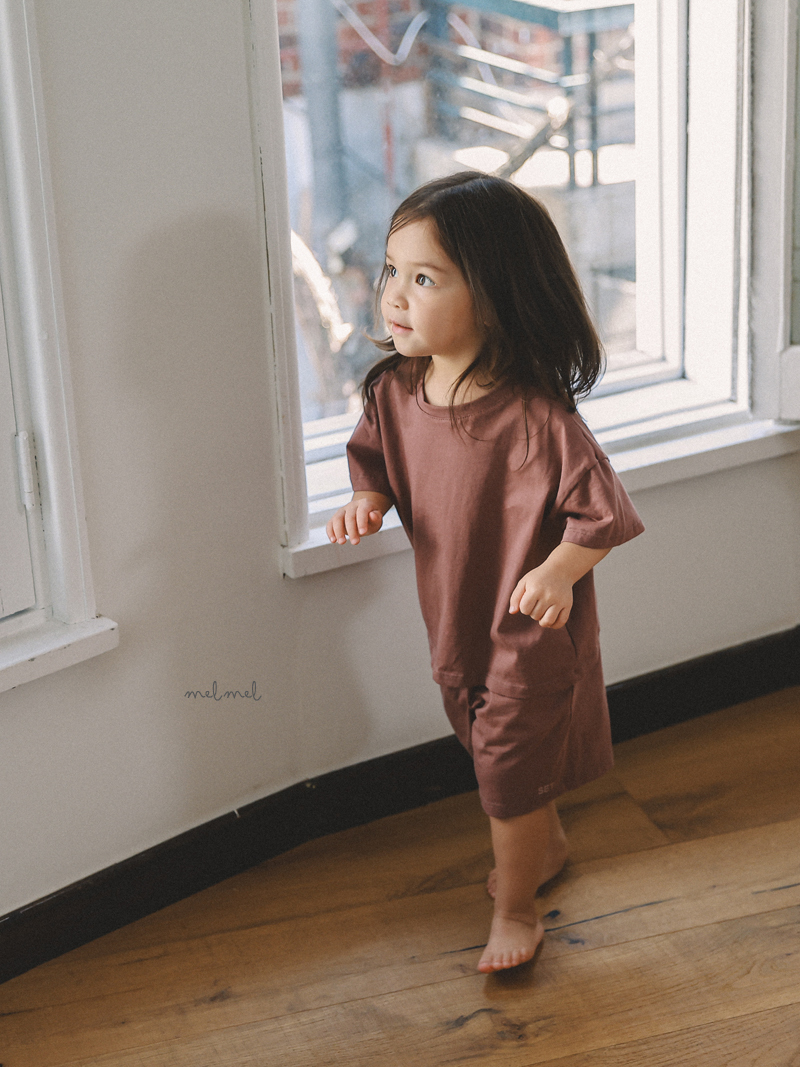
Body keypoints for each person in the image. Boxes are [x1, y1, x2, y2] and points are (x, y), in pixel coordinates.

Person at [325, 171, 644, 974]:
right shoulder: (395, 393)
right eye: (392, 270)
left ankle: (517, 908)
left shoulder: (537, 417)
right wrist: (366, 500)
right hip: (456, 623)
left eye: (424, 279)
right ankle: (548, 841)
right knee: (487, 747)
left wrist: (561, 570)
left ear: (495, 298)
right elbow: (376, 463)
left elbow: (603, 513)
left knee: (503, 769)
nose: (394, 295)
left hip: (528, 633)